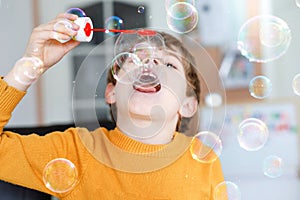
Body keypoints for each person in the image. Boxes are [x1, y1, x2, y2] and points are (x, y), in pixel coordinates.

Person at [0, 12, 226, 199]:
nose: (150, 63)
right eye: (135, 59)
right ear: (111, 93)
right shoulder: (76, 151)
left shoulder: (205, 161)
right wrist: (26, 68)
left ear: (188, 105)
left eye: (169, 64)